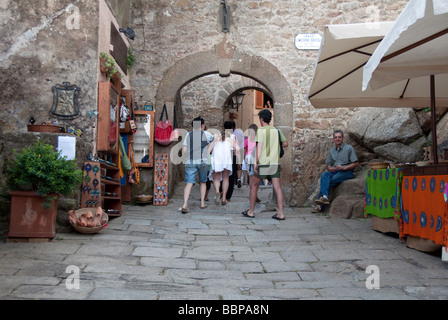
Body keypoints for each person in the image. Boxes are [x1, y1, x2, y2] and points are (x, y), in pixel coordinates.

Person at [242, 109, 288, 220]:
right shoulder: (277, 131)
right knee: (277, 187)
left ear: (261, 119)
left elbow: (259, 147)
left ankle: (251, 211)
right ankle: (281, 213)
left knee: (254, 186)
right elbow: (285, 143)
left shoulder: (261, 131)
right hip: (275, 162)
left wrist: (255, 162)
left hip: (263, 163)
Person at [312, 129, 359, 213]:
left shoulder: (349, 148)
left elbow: (355, 163)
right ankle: (325, 197)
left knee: (329, 181)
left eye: (339, 137)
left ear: (343, 138)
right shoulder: (332, 150)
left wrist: (345, 167)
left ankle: (321, 205)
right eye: (336, 137)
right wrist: (330, 168)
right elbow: (329, 164)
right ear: (333, 139)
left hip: (346, 172)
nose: (337, 139)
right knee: (324, 175)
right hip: (335, 171)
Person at [181, 117, 214, 213]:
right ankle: (202, 203)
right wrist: (208, 152)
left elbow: (184, 149)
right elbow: (215, 139)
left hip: (190, 160)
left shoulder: (188, 135)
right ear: (202, 126)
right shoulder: (206, 134)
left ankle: (185, 204)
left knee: (189, 182)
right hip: (203, 160)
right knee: (203, 181)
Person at [208, 123, 240, 206]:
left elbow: (209, 150)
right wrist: (238, 160)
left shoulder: (216, 137)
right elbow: (238, 148)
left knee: (216, 178)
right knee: (226, 178)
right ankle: (224, 198)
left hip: (217, 158)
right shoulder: (231, 138)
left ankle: (218, 192)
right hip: (227, 159)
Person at [242, 123, 260, 203]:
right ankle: (255, 195)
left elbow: (244, 151)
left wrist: (243, 160)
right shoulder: (258, 139)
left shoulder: (246, 140)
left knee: (251, 177)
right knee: (257, 177)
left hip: (248, 158)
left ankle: (251, 194)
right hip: (255, 157)